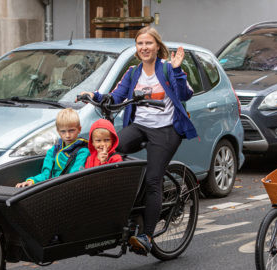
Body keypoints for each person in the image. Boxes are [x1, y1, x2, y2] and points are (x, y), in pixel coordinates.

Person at [80, 26, 197, 254]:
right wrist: (94, 96)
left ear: (157, 46)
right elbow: (115, 96)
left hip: (166, 130)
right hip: (140, 127)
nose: (144, 47)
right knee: (110, 150)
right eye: (140, 43)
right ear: (136, 48)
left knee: (153, 180)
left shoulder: (167, 69)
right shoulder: (133, 72)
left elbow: (185, 94)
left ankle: (147, 236)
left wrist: (178, 69)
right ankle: (121, 208)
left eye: (149, 43)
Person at [15, 108, 89, 187]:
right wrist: (32, 181)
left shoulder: (83, 151)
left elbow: (75, 175)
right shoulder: (53, 151)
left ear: (79, 129)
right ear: (58, 131)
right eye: (63, 131)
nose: (67, 135)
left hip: (68, 187)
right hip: (51, 186)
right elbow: (46, 174)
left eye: (71, 130)